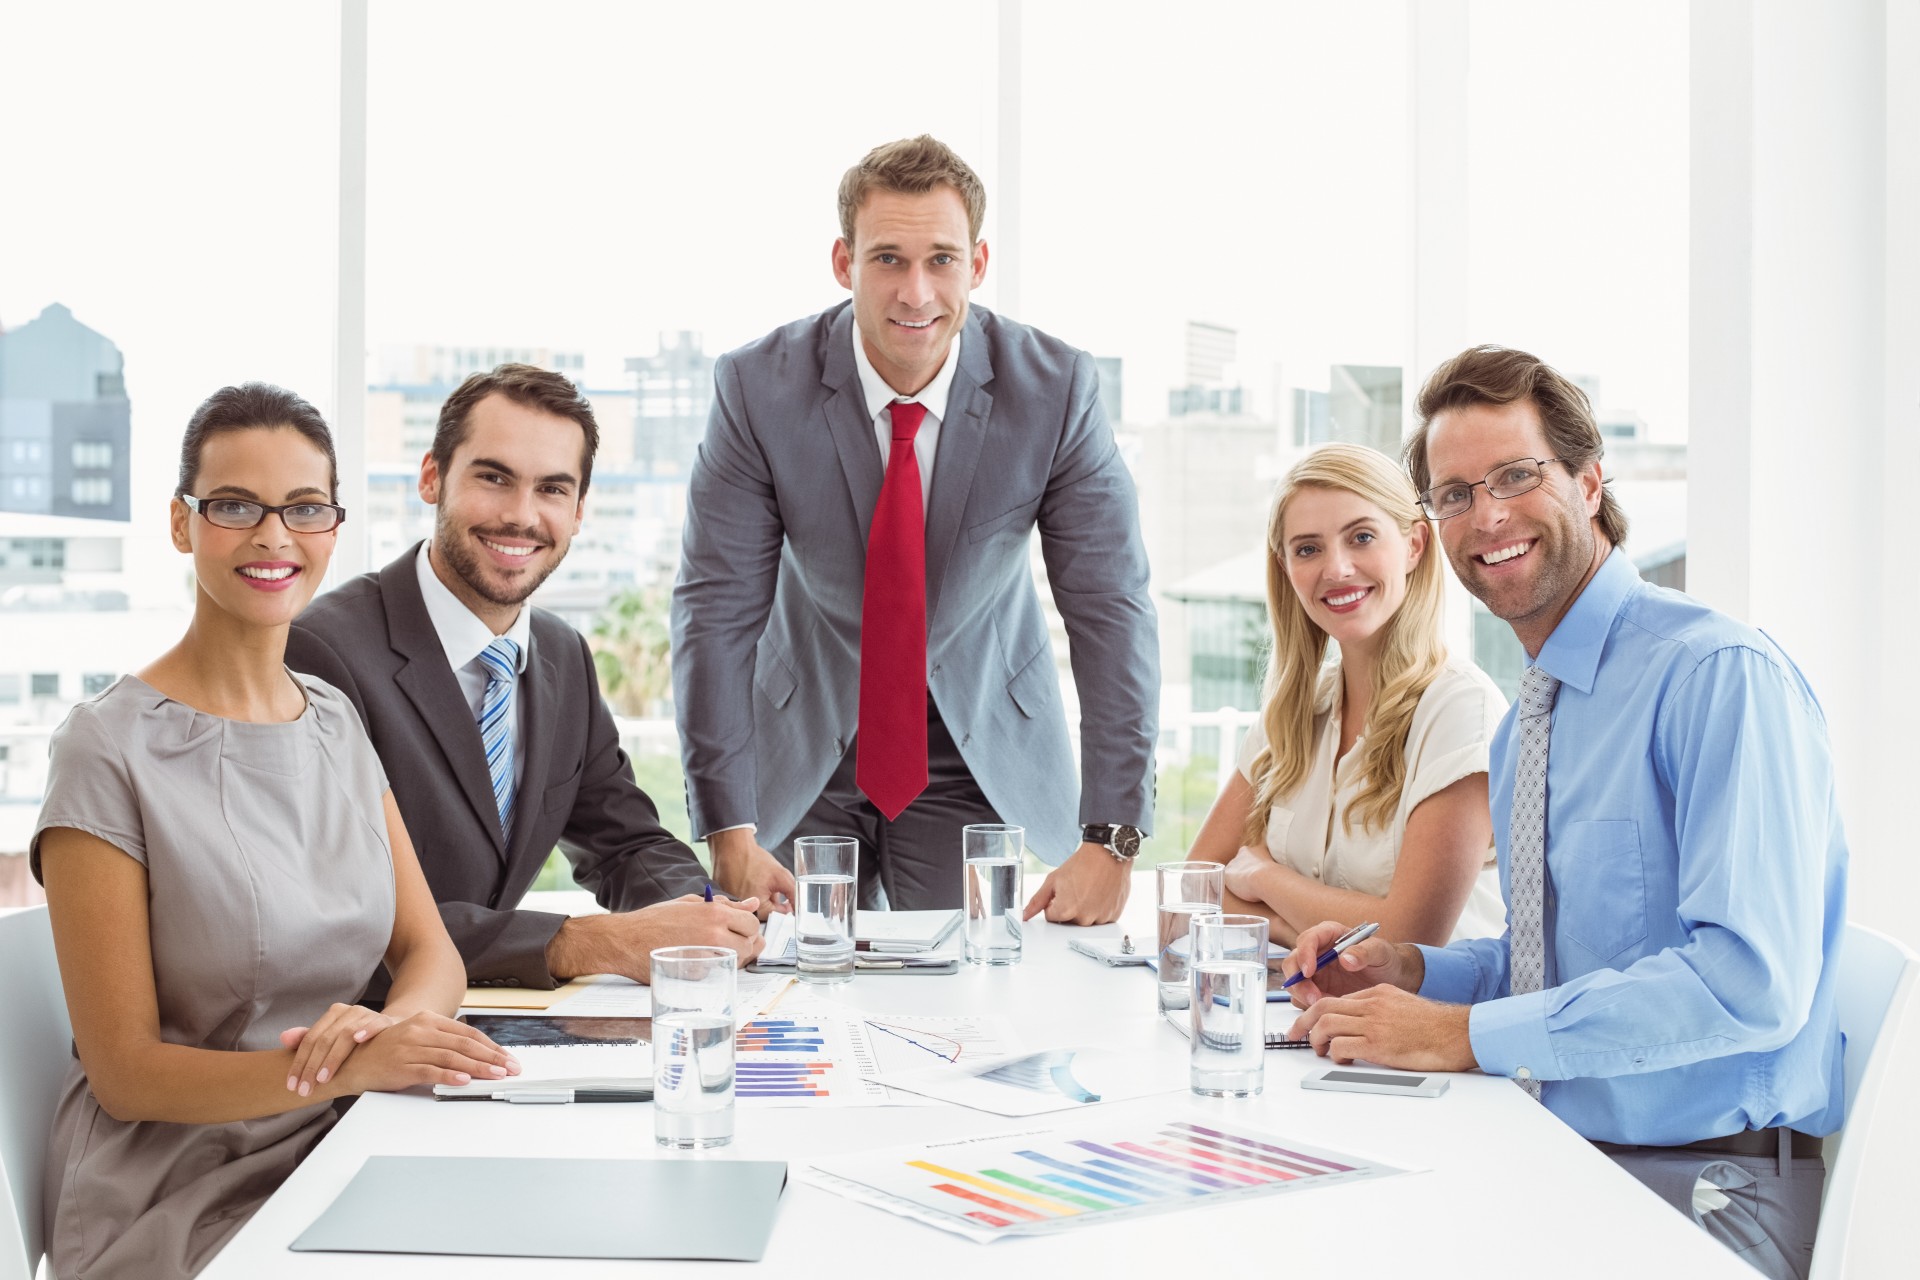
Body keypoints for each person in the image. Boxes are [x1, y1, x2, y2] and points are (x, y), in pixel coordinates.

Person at [1285, 346, 1846, 1280]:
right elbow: (1555, 963)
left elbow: (1748, 981)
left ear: (1590, 482)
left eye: (1516, 476)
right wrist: (1415, 971)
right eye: (1455, 494)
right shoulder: (1531, 720)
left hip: (1701, 1197)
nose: (1488, 515)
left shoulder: (1716, 677)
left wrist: (1463, 1037)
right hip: (1560, 1155)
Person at [31, 384, 519, 1280]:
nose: (272, 536)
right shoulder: (106, 746)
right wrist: (347, 1070)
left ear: (333, 526)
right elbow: (125, 1073)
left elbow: (431, 954)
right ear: (183, 525)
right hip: (184, 1186)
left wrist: (389, 1040)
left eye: (303, 508)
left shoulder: (333, 719)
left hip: (350, 1140)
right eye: (233, 506)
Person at [670, 135, 1158, 922]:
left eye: (941, 260)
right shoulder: (756, 387)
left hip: (974, 740)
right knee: (798, 989)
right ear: (843, 262)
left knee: (973, 1002)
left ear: (979, 262)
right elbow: (714, 609)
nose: (916, 292)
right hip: (809, 730)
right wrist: (727, 824)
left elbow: (1112, 610)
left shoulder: (1055, 389)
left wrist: (1114, 836)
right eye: (888, 259)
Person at [287, 364, 762, 992]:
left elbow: (625, 843)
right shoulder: (322, 652)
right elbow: (334, 912)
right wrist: (581, 943)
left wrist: (703, 914)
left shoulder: (562, 656)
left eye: (552, 489)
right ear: (432, 477)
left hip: (492, 1031)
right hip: (359, 1041)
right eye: (493, 478)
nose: (521, 515)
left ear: (579, 510)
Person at [1184, 443, 1505, 949]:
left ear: (1415, 546)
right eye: (1307, 549)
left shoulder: (1460, 709)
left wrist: (1267, 880)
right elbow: (1197, 884)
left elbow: (1409, 939)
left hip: (1431, 1023)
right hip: (1305, 1017)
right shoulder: (1295, 711)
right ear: (1287, 569)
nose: (1336, 569)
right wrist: (1335, 935)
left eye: (1361, 537)